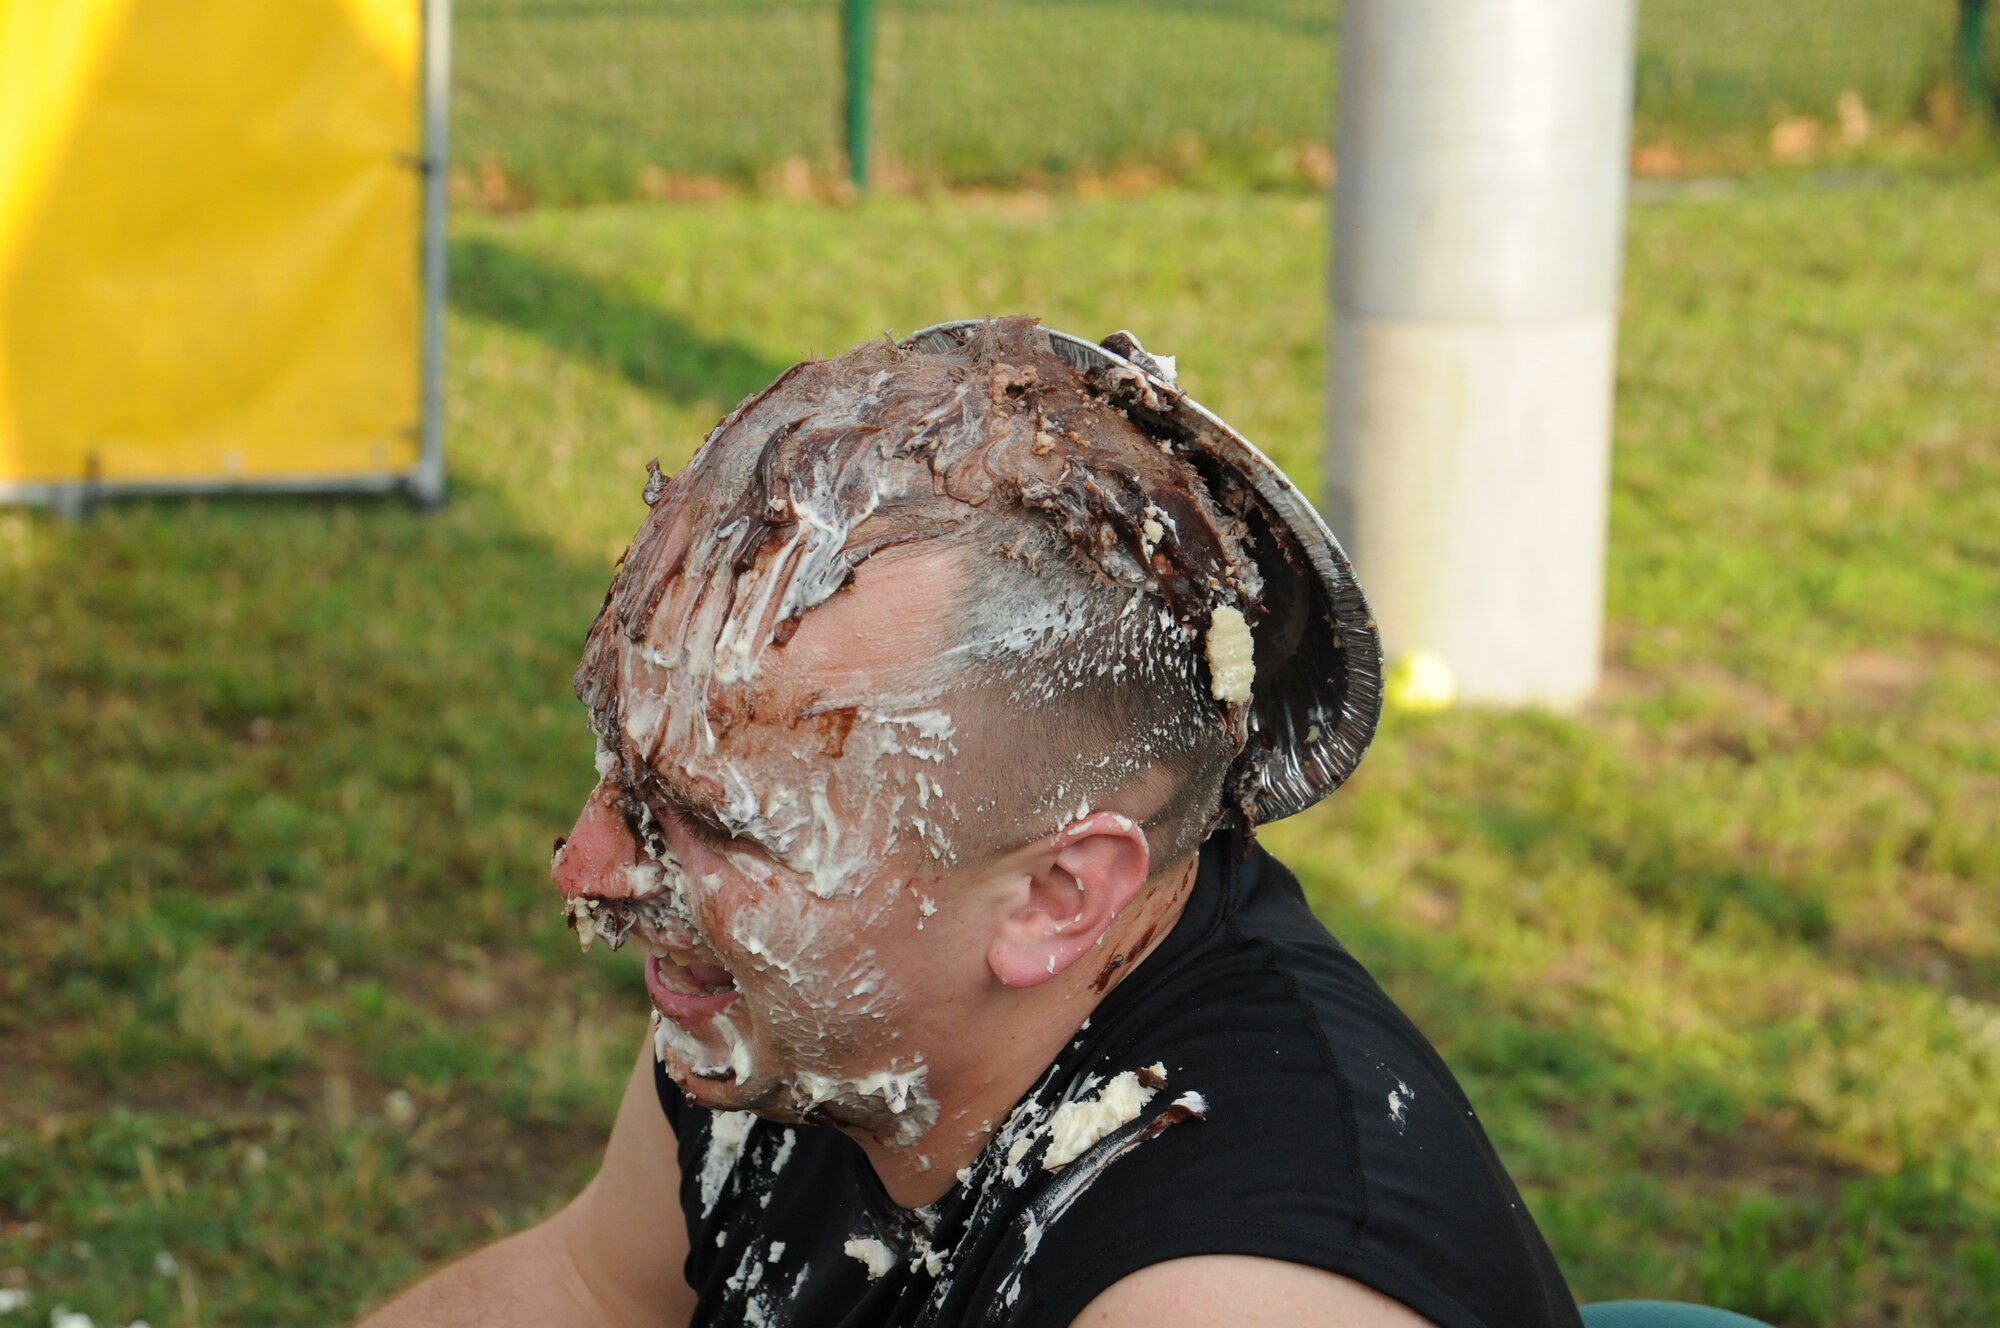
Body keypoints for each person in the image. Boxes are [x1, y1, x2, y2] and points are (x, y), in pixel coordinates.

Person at [357, 318, 1583, 1328]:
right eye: (622, 772)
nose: (591, 865)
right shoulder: (799, 996)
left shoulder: (1230, 1287)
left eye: (711, 823)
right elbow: (587, 1287)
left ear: (1056, 897)